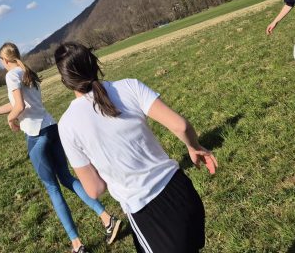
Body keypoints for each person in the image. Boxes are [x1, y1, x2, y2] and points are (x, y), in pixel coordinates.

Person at [54, 42, 218, 253]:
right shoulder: (130, 86)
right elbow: (181, 126)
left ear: (65, 80)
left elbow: (94, 190)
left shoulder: (67, 125)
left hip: (148, 213)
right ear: (94, 63)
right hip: (182, 191)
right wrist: (194, 147)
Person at [0, 42, 120, 253]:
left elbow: (19, 107)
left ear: (4, 60)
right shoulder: (26, 72)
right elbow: (18, 104)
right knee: (66, 177)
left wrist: (10, 120)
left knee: (52, 188)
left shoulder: (11, 75)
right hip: (51, 128)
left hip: (36, 135)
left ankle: (77, 244)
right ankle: (107, 218)